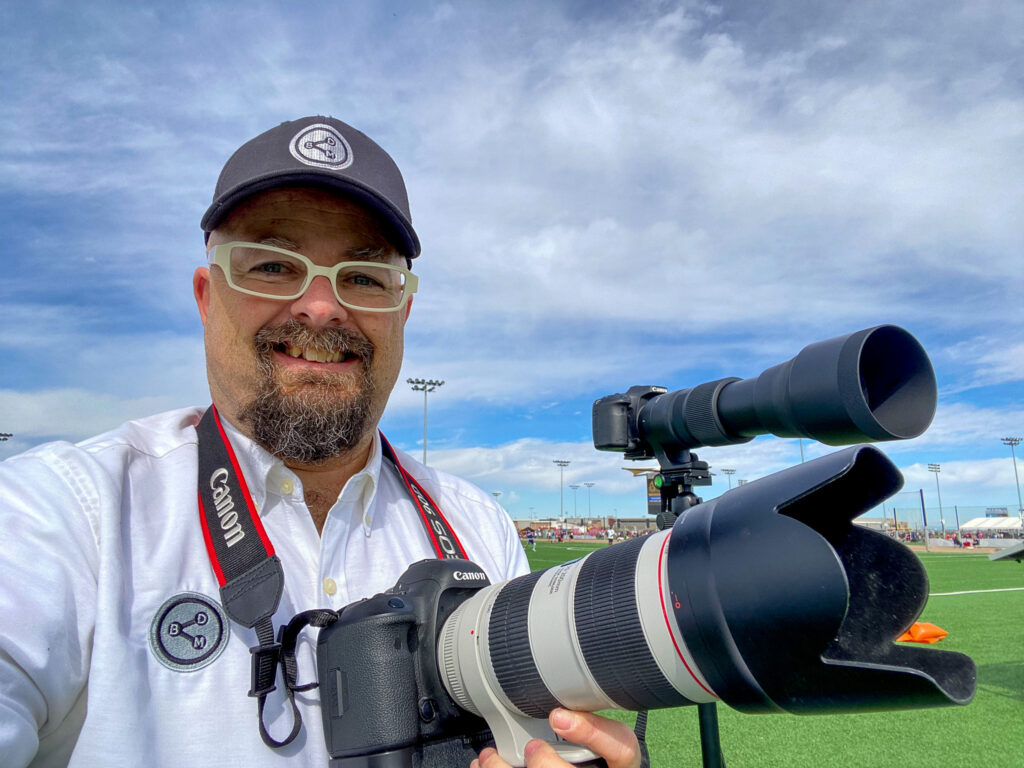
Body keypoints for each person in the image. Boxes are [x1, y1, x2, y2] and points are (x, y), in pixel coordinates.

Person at [0, 116, 639, 768]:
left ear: (402, 310)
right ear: (206, 296)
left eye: (364, 276)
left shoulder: (479, 532)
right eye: (274, 265)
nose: (322, 306)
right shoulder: (60, 519)